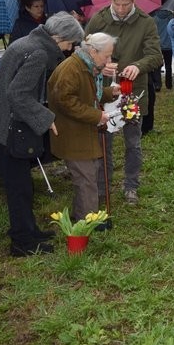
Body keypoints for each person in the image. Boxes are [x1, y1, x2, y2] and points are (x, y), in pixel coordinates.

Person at [0, 12, 84, 256]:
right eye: (69, 43)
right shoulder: (37, 53)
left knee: (22, 184)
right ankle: (22, 242)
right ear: (58, 38)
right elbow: (18, 94)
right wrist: (47, 119)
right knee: (19, 187)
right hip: (5, 126)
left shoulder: (27, 41)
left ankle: (29, 230)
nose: (69, 49)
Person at [85, 0, 162, 205]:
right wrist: (99, 65)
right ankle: (102, 187)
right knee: (103, 143)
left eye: (126, 5)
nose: (120, 10)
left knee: (133, 143)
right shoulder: (98, 20)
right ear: (111, 0)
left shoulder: (146, 22)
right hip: (103, 91)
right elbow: (84, 50)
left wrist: (138, 66)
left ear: (133, 0)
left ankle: (131, 187)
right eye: (117, 5)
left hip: (133, 92)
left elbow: (156, 55)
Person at [47, 33, 118, 222]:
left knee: (88, 176)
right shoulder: (72, 68)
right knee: (86, 180)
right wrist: (97, 116)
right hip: (73, 134)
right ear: (93, 51)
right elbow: (65, 101)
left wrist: (110, 93)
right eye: (107, 56)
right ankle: (85, 225)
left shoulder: (86, 65)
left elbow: (89, 93)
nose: (109, 60)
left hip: (82, 132)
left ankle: (85, 217)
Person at [152, 8, 174, 90]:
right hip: (169, 45)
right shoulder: (171, 17)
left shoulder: (154, 18)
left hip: (158, 45)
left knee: (157, 66)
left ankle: (158, 85)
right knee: (168, 66)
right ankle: (169, 85)